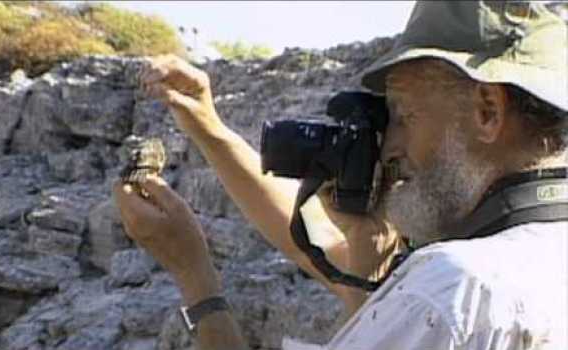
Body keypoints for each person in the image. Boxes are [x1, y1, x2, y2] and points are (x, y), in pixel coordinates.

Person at [114, 1, 567, 349]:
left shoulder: (452, 291)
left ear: (487, 110)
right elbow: (337, 264)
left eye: (405, 114)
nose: (390, 147)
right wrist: (210, 131)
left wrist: (196, 279)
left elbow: (425, 304)